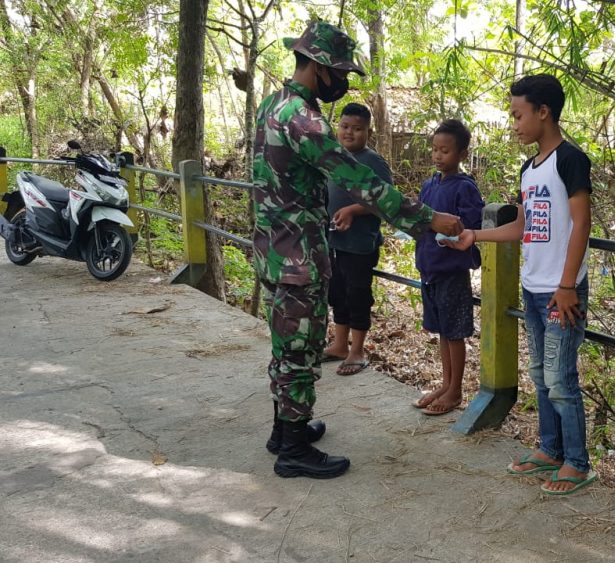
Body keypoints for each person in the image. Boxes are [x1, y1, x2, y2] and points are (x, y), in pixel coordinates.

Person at [253, 21, 462, 480]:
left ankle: (284, 430)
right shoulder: (303, 120)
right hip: (297, 255)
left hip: (273, 248)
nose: (343, 83)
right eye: (341, 72)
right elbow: (358, 180)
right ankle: (292, 451)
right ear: (321, 67)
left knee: (285, 346)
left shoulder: (273, 104)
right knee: (301, 350)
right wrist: (426, 219)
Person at [445, 75, 596, 495]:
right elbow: (524, 226)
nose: (513, 124)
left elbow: (581, 223)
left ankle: (578, 463)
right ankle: (549, 450)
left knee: (560, 379)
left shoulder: (571, 160)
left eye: (517, 115)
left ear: (543, 112)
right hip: (533, 287)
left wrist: (568, 284)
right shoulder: (529, 168)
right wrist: (476, 236)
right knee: (540, 374)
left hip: (561, 290)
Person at [413, 120, 485, 416]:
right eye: (435, 149)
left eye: (445, 150)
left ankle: (455, 391)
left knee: (455, 333)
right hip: (429, 269)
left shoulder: (465, 188)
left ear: (462, 154)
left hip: (452, 271)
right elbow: (418, 217)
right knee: (442, 331)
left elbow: (473, 227)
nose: (438, 155)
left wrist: (451, 234)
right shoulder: (429, 184)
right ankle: (446, 383)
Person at [320, 103, 389, 376]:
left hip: (360, 244)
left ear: (368, 132)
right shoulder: (333, 158)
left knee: (357, 294)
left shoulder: (373, 162)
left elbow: (387, 201)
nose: (349, 133)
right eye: (345, 127)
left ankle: (357, 351)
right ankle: (339, 344)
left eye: (357, 129)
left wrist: (353, 210)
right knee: (337, 293)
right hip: (333, 241)